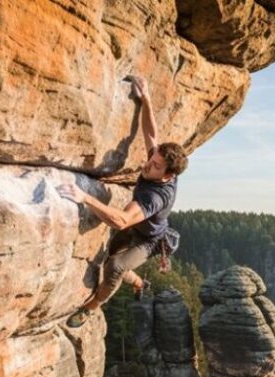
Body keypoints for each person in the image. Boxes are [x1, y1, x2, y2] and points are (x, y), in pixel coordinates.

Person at [60, 75, 187, 327]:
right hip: (135, 226)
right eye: (152, 159)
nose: (148, 164)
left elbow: (121, 220)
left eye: (156, 166)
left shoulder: (156, 197)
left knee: (115, 266)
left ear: (168, 175)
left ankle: (92, 307)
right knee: (107, 256)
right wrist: (146, 100)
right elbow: (151, 135)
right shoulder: (159, 162)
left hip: (148, 240)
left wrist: (84, 197)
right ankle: (140, 282)